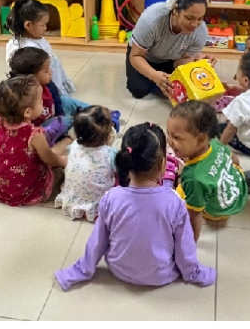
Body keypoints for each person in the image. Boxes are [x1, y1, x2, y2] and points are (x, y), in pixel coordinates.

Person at [55, 121, 215, 290]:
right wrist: (192, 272)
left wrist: (83, 269)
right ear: (163, 164)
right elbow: (184, 246)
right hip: (162, 274)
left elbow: (97, 241)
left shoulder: (111, 197)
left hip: (119, 270)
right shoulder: (175, 203)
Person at [168, 100, 248, 239]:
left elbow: (194, 216)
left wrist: (191, 241)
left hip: (219, 211)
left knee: (178, 193)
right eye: (168, 133)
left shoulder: (193, 177)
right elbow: (235, 160)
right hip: (240, 190)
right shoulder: (215, 143)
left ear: (200, 139)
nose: (169, 141)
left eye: (176, 137)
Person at [0, 74, 67, 206]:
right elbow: (50, 160)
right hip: (24, 192)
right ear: (27, 112)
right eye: (40, 101)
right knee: (62, 173)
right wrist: (63, 161)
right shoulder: (34, 134)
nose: (43, 103)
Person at [125, 0, 209, 97]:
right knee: (139, 90)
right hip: (144, 56)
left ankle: (156, 80)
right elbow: (136, 56)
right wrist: (153, 75)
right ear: (175, 10)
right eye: (189, 18)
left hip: (170, 60)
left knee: (183, 88)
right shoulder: (152, 20)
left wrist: (195, 60)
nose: (195, 24)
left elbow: (179, 63)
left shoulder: (201, 32)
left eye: (200, 19)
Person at [4, 0, 79, 98]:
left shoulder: (35, 37)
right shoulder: (23, 48)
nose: (45, 28)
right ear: (28, 25)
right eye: (42, 25)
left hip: (50, 72)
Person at [56, 105, 117, 221]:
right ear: (108, 134)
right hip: (97, 201)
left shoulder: (74, 146)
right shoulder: (110, 153)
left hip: (72, 198)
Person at [7, 46, 70, 145]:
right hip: (38, 132)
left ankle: (92, 112)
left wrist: (60, 117)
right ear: (31, 77)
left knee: (67, 101)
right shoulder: (22, 96)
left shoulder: (49, 85)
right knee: (69, 121)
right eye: (46, 71)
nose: (51, 72)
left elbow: (58, 103)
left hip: (51, 117)